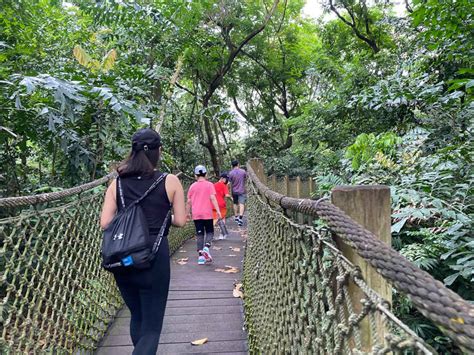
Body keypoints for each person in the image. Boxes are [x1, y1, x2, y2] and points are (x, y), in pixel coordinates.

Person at [100, 128, 186, 355]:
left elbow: (105, 222)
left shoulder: (116, 184)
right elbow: (180, 221)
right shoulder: (170, 181)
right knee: (152, 327)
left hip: (123, 258)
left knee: (137, 315)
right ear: (159, 151)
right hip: (153, 257)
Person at [187, 165, 221, 264]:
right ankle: (206, 247)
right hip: (207, 213)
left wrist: (187, 213)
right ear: (206, 174)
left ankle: (201, 257)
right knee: (210, 232)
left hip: (196, 214)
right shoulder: (210, 184)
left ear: (195, 175)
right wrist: (218, 210)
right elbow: (213, 198)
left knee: (199, 234)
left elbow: (189, 201)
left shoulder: (192, 186)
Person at [228, 160, 247, 226]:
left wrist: (229, 192)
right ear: (238, 164)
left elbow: (229, 183)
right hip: (242, 190)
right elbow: (246, 178)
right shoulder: (243, 171)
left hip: (234, 191)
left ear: (232, 166)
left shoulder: (230, 173)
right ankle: (240, 218)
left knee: (235, 203)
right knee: (242, 204)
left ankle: (236, 216)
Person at [213, 172, 231, 239]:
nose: (227, 181)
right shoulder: (224, 185)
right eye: (226, 179)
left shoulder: (213, 185)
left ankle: (210, 234)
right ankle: (222, 235)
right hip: (221, 204)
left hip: (213, 205)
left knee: (214, 219)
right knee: (222, 218)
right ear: (222, 178)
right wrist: (231, 198)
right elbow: (227, 195)